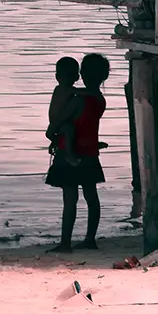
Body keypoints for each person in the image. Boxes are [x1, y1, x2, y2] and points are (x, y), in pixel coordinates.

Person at [47, 52, 110, 252]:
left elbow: (56, 124)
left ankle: (65, 243)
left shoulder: (76, 100)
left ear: (81, 74)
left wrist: (54, 136)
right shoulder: (100, 100)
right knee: (91, 197)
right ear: (104, 77)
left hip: (69, 152)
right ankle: (90, 239)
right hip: (90, 152)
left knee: (70, 199)